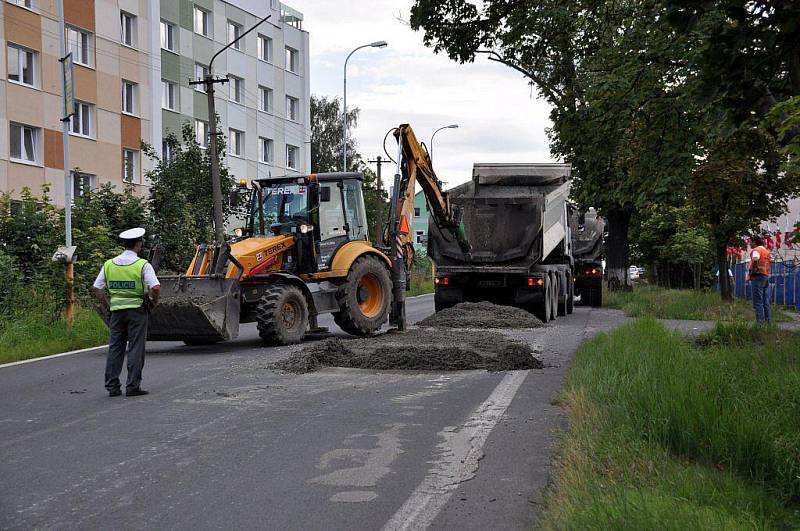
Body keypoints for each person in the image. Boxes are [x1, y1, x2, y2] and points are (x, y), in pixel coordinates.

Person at [93, 228, 161, 397]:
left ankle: (112, 386)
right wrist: (153, 302)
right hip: (137, 312)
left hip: (116, 312)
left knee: (115, 348)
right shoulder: (142, 265)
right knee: (136, 348)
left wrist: (107, 307)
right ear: (138, 245)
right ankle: (132, 386)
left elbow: (97, 289)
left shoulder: (109, 264)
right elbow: (156, 287)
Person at [747, 234, 771, 323]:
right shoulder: (766, 251)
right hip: (765, 276)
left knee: (757, 302)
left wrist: (753, 271)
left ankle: (760, 324)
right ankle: (768, 322)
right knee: (765, 301)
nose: (749, 244)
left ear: (754, 242)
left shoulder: (756, 250)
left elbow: (755, 258)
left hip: (757, 277)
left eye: (750, 242)